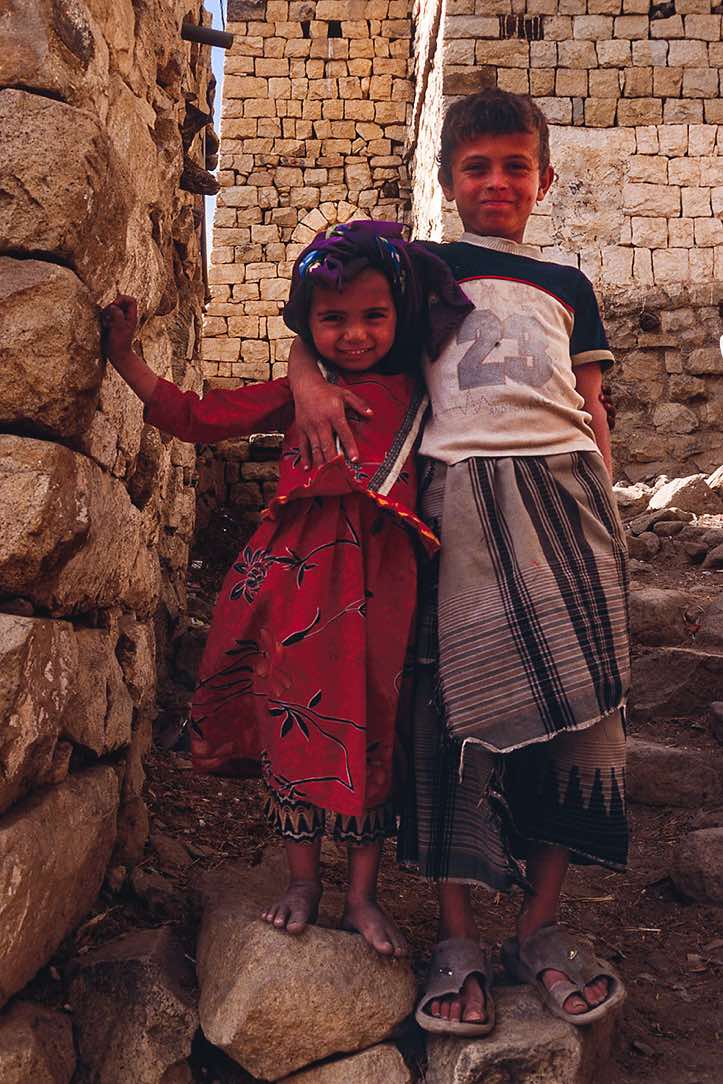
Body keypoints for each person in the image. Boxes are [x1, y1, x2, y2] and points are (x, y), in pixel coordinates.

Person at [286, 89, 630, 1035]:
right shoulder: (420, 269)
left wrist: (607, 507)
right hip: (457, 505)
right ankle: (456, 935)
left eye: (516, 166)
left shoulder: (568, 283)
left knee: (586, 719)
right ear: (445, 181)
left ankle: (539, 928)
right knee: (449, 714)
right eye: (476, 167)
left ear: (544, 180)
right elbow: (325, 325)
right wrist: (306, 383)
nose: (496, 182)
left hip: (568, 503)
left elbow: (590, 406)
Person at [101, 220, 472, 958]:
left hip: (386, 589)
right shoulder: (298, 395)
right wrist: (123, 358)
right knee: (294, 724)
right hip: (294, 587)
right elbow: (197, 418)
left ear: (398, 315)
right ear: (309, 323)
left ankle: (362, 895)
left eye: (373, 316)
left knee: (372, 729)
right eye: (333, 319)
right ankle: (303, 881)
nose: (355, 334)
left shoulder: (424, 388)